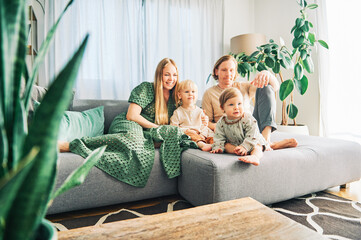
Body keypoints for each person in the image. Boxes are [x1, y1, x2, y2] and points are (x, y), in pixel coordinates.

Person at [59, 58, 197, 187]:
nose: (171, 79)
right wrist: (158, 127)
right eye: (167, 74)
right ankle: (72, 145)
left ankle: (150, 142)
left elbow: (190, 113)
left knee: (170, 138)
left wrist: (201, 124)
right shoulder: (147, 88)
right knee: (134, 140)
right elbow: (132, 115)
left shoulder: (176, 97)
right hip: (128, 123)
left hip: (149, 131)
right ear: (159, 74)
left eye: (175, 75)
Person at [202, 55, 298, 152]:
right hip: (229, 133)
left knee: (266, 86)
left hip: (251, 128)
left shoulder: (243, 86)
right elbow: (206, 122)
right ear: (216, 71)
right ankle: (267, 145)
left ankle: (266, 140)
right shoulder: (209, 93)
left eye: (231, 70)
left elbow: (274, 87)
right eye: (224, 70)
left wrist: (267, 74)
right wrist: (225, 126)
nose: (228, 74)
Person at [210, 87, 268, 166]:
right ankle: (239, 151)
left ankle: (255, 157)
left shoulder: (247, 118)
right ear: (222, 107)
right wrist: (218, 147)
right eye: (231, 104)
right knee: (225, 146)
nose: (236, 107)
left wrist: (245, 146)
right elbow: (219, 136)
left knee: (257, 147)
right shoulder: (221, 122)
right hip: (235, 145)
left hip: (251, 141)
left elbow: (253, 134)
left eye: (239, 104)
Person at [170, 80, 214, 151]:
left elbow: (204, 125)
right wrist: (186, 130)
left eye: (193, 92)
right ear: (179, 95)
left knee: (212, 136)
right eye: (187, 92)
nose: (190, 94)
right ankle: (201, 144)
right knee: (189, 135)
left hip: (201, 133)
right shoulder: (178, 112)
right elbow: (173, 127)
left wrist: (202, 135)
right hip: (189, 133)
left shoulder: (200, 111)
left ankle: (215, 145)